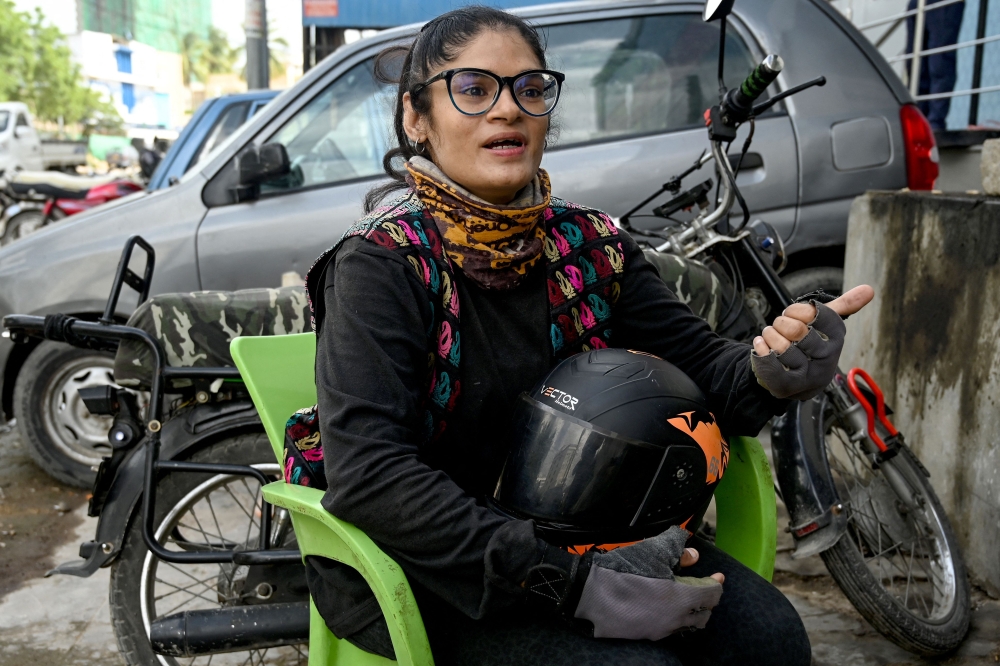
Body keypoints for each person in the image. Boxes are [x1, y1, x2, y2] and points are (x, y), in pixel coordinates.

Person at [303, 7, 873, 665]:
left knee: (771, 641)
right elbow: (372, 475)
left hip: (591, 531)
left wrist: (776, 366)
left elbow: (705, 372)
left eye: (530, 88)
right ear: (415, 117)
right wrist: (571, 585)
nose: (507, 110)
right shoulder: (381, 265)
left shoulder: (589, 244)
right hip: (430, 564)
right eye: (473, 89)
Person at [905, 0, 966, 131]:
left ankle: (934, 123)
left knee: (940, 64)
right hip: (918, 3)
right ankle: (918, 120)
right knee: (914, 65)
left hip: (944, 3)